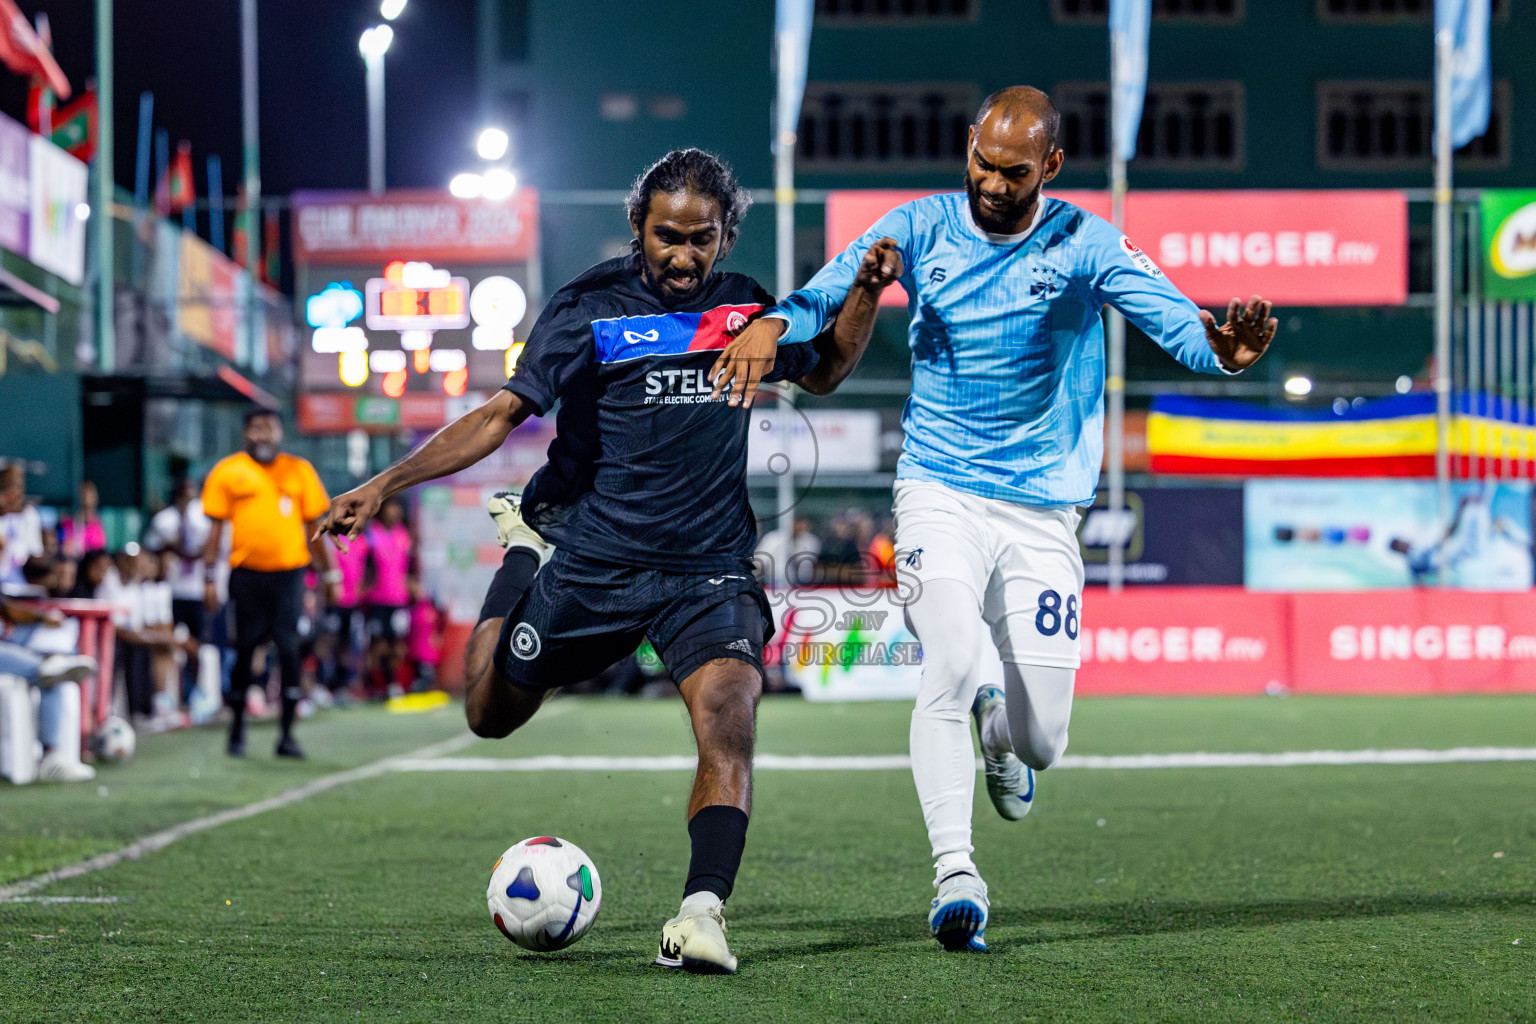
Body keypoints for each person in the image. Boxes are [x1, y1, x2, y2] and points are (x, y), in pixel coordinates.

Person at [719, 86, 1276, 952]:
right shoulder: (919, 225)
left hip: (1044, 508)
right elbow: (824, 294)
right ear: (968, 145)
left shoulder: (1086, 244)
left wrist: (1224, 352)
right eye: (981, 160)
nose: (991, 181)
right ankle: (956, 877)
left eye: (1013, 171)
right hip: (938, 485)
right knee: (943, 657)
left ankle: (999, 723)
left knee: (1044, 741)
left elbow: (1181, 321)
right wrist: (771, 324)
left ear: (1050, 167)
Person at [315, 149, 895, 975]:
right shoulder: (585, 307)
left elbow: (829, 368)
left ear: (726, 234)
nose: (684, 257)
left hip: (707, 565)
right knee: (488, 714)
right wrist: (383, 483)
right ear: (638, 228)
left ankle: (701, 913)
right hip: (594, 558)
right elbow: (499, 416)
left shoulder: (747, 308)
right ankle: (522, 552)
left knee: (730, 713)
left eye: (702, 239)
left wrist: (865, 294)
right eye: (667, 237)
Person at [201, 408, 338, 759]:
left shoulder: (299, 471)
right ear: (245, 433)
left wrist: (329, 574)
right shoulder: (228, 472)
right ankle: (236, 732)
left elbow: (314, 528)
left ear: (280, 432)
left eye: (269, 427)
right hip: (245, 575)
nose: (262, 435)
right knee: (245, 651)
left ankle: (287, 736)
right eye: (255, 428)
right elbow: (215, 532)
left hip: (289, 575)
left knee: (289, 649)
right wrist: (207, 578)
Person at [0, 596, 97, 782]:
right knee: (49, 671)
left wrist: (41, 617)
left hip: (10, 642)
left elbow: (7, 606)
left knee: (53, 677)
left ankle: (52, 756)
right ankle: (47, 664)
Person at [143, 478, 214, 703]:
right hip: (171, 591)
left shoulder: (203, 516)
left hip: (195, 590)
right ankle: (168, 696)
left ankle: (196, 693)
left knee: (197, 645)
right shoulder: (164, 520)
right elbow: (153, 547)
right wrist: (172, 546)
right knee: (170, 642)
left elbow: (211, 548)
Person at [362, 498, 413, 696]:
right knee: (378, 644)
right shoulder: (371, 534)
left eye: (397, 508)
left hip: (399, 600)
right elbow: (364, 565)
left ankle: (393, 683)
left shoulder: (404, 535)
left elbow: (410, 565)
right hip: (376, 600)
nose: (394, 512)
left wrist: (412, 583)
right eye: (391, 508)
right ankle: (375, 685)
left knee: (397, 645)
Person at [0, 463, 49, 593]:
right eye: (9, 485)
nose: (14, 491)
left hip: (18, 584)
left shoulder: (29, 514)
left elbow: (35, 554)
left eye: (18, 485)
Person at [59, 480, 107, 559]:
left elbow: (101, 549)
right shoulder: (66, 522)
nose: (85, 497)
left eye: (90, 494)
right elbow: (63, 546)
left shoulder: (98, 525)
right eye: (82, 494)